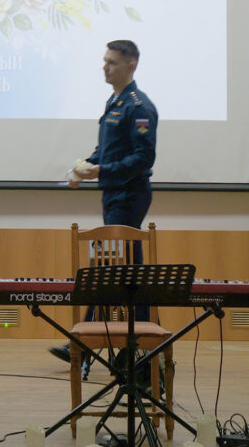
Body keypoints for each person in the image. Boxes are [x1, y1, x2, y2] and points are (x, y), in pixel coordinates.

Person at [50, 39, 158, 363]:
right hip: (115, 194)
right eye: (104, 60)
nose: (105, 66)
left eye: (111, 62)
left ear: (131, 65)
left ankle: (110, 346)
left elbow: (143, 157)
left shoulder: (138, 106)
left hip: (129, 194)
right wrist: (85, 167)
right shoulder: (115, 102)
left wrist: (102, 170)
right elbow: (106, 151)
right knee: (120, 269)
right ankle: (118, 346)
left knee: (119, 270)